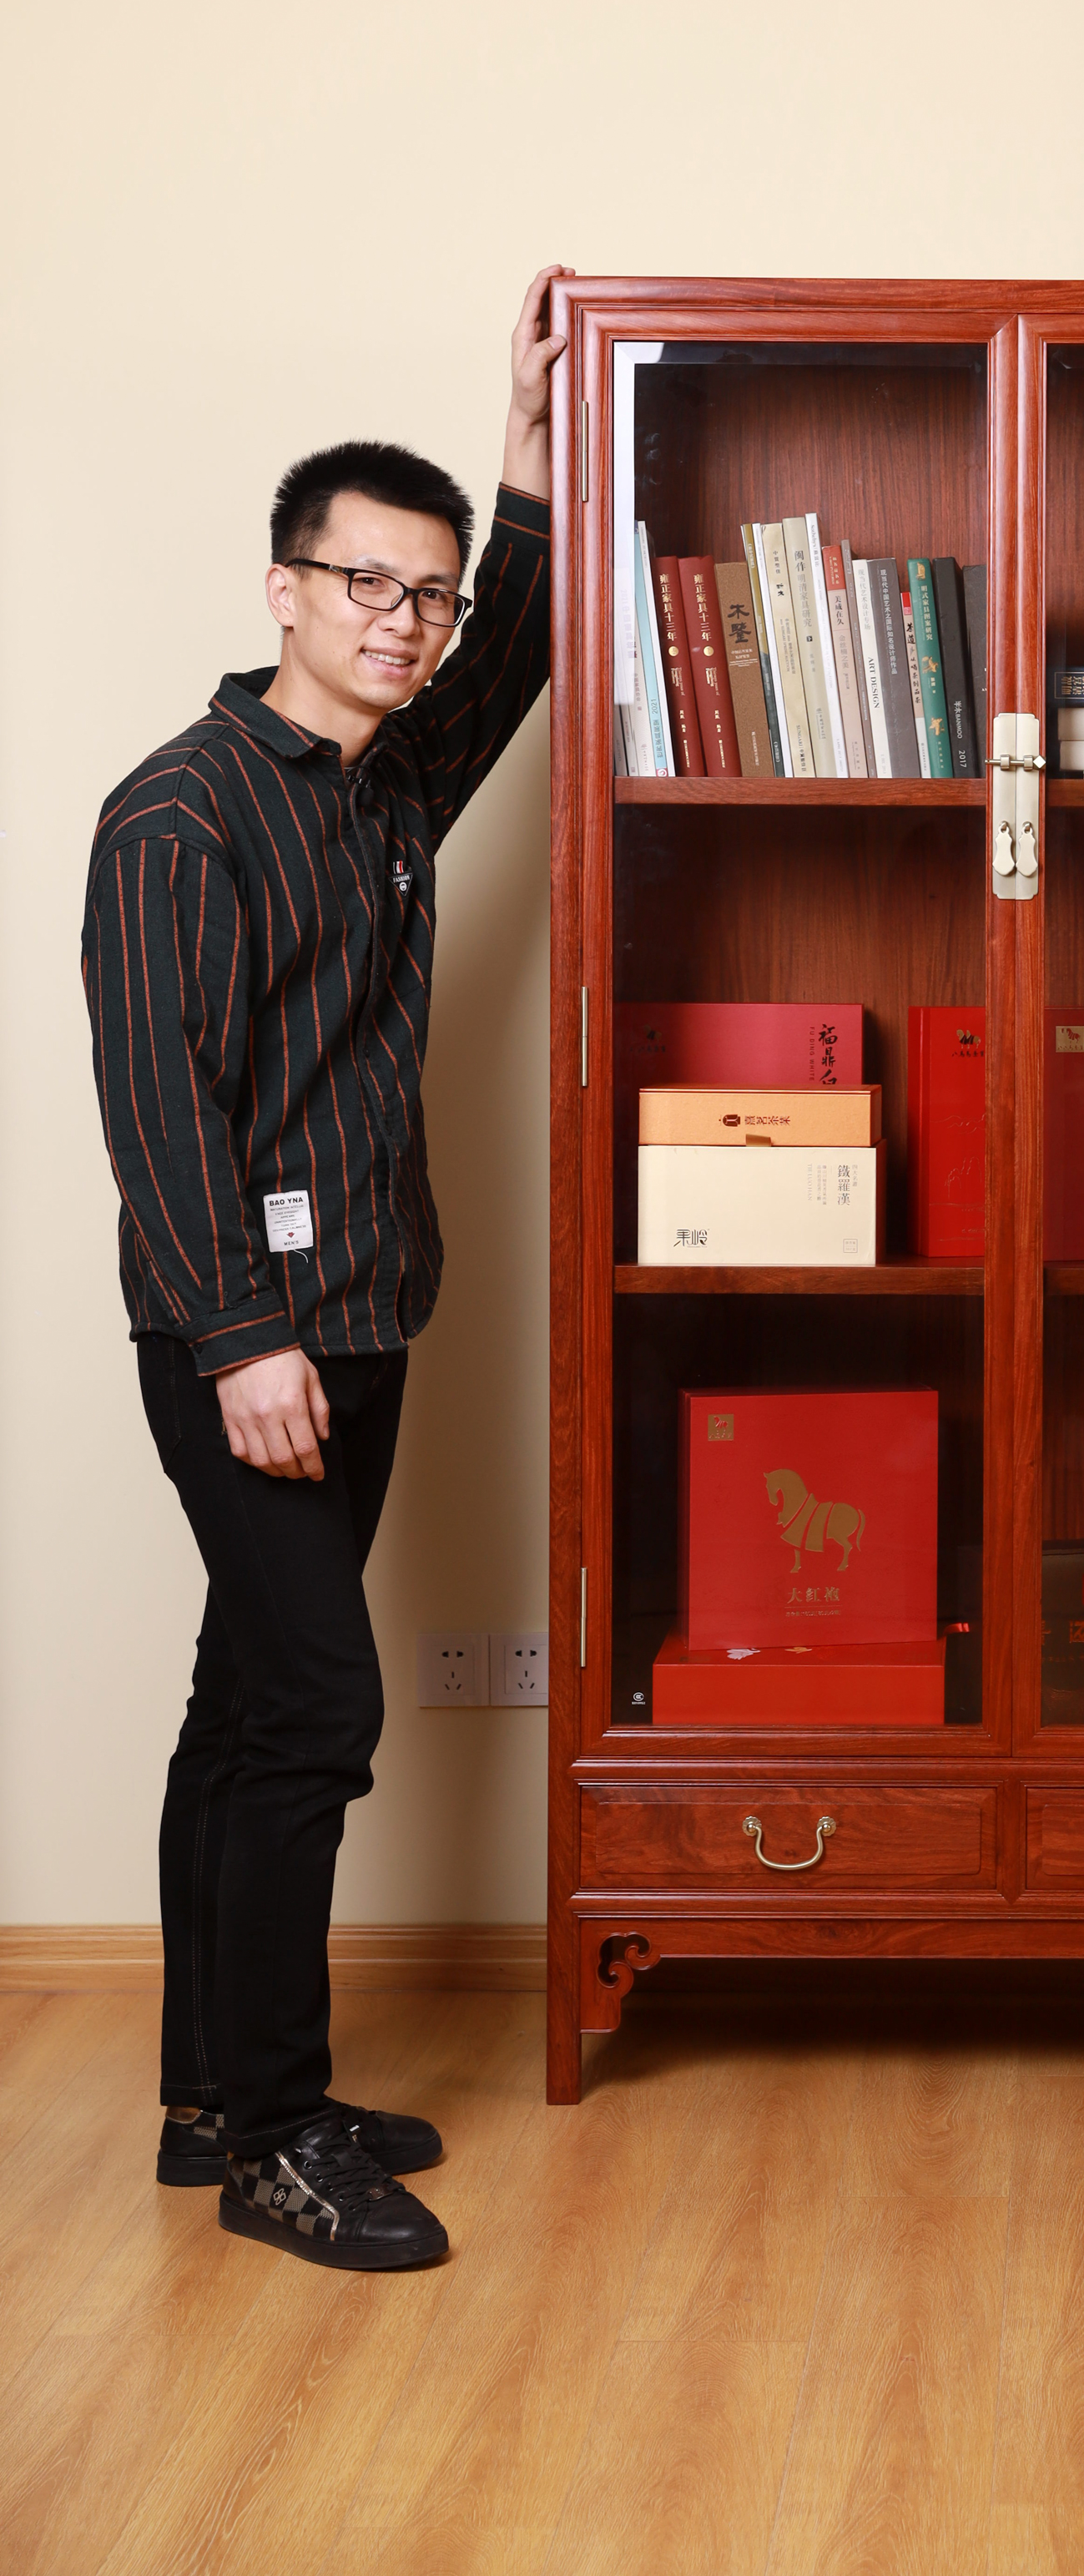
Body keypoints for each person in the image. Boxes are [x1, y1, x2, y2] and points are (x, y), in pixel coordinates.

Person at [81, 266, 569, 2270]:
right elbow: (158, 1107)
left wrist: (521, 453)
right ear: (283, 588)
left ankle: (213, 2094)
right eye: (365, 583)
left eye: (425, 596)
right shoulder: (177, 818)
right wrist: (239, 1343)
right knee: (310, 1712)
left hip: (369, 1315)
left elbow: (510, 668)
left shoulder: (383, 786)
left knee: (239, 1703)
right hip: (248, 1345)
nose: (403, 621)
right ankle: (279, 2143)